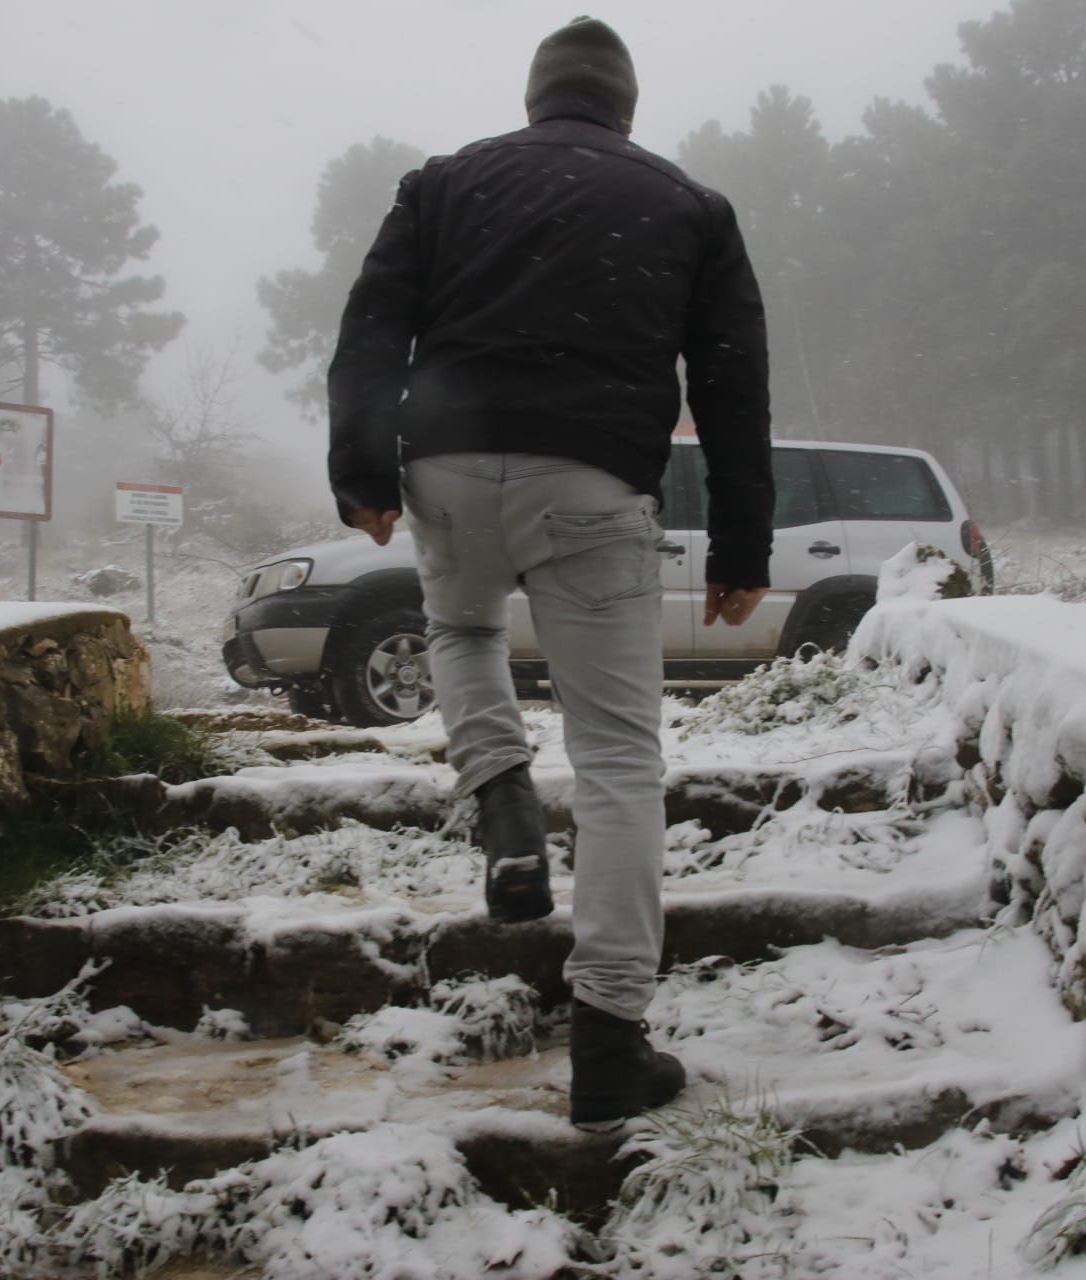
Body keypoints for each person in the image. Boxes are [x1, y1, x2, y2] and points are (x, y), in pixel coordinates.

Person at [327, 15, 773, 1129]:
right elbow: (732, 380)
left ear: (539, 100)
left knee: (464, 632)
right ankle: (610, 1046)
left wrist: (360, 468)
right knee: (621, 758)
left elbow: (373, 326)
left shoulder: (445, 185)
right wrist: (743, 543)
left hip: (449, 466)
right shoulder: (687, 206)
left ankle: (506, 809)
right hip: (592, 479)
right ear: (624, 106)